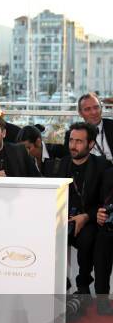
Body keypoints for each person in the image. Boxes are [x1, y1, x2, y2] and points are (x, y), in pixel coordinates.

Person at [54, 122, 111, 298]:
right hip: (61, 218)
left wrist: (86, 216)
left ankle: (83, 285)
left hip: (89, 219)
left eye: (79, 141)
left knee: (89, 237)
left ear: (91, 144)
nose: (73, 145)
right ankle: (58, 287)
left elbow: (105, 201)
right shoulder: (60, 165)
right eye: (71, 140)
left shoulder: (102, 166)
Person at [64, 93, 113, 160]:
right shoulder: (72, 134)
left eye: (96, 107)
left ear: (101, 109)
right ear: (80, 113)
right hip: (88, 169)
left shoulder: (111, 125)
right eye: (87, 109)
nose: (93, 112)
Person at [94, 167, 113, 315]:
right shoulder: (107, 173)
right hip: (107, 226)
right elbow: (96, 200)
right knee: (103, 241)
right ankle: (102, 301)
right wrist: (97, 213)